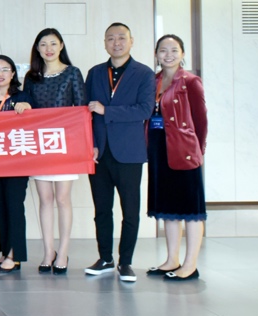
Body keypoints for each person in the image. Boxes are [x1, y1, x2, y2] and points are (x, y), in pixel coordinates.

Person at [84, 22, 155, 283]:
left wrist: (107, 111)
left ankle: (126, 262)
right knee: (102, 209)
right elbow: (84, 113)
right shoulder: (95, 73)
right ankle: (105, 258)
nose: (116, 43)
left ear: (131, 41)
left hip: (129, 153)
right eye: (111, 38)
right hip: (99, 152)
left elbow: (145, 109)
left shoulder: (144, 73)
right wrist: (89, 144)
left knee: (130, 211)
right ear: (104, 43)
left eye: (121, 38)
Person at [14, 28, 86, 275]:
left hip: (64, 144)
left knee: (63, 199)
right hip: (40, 145)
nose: (48, 49)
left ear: (61, 45)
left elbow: (81, 109)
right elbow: (27, 106)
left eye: (53, 43)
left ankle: (63, 252)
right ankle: (48, 252)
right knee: (45, 199)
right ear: (37, 48)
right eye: (43, 44)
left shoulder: (72, 73)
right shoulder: (31, 77)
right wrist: (23, 104)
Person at [146, 35, 208, 282]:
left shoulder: (190, 82)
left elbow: (201, 122)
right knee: (168, 208)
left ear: (183, 53)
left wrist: (197, 151)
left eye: (174, 50)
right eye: (163, 50)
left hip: (184, 151)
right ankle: (172, 259)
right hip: (158, 149)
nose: (168, 55)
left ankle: (190, 265)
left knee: (191, 209)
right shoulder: (153, 81)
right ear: (156, 54)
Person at [0, 54, 30, 274]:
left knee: (14, 207)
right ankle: (5, 251)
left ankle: (15, 255)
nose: (0, 74)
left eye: (5, 69)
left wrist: (28, 107)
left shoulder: (22, 96)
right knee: (0, 208)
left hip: (16, 163)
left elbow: (36, 121)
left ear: (12, 73)